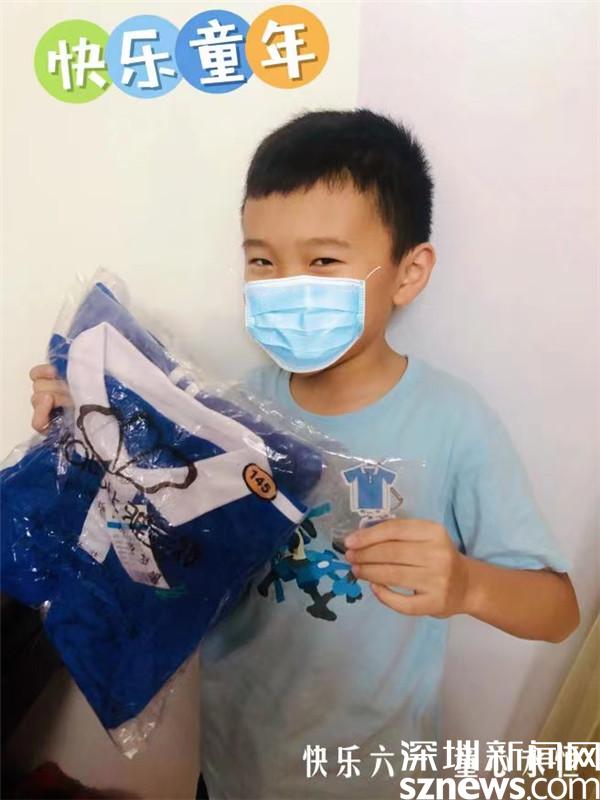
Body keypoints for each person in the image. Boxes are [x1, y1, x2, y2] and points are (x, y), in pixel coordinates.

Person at [29, 109, 580, 800]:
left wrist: (468, 585)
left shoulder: (453, 422)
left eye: (322, 261)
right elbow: (152, 547)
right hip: (231, 768)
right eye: (262, 260)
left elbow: (558, 611)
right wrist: (84, 425)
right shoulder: (228, 415)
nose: (285, 285)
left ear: (408, 272)